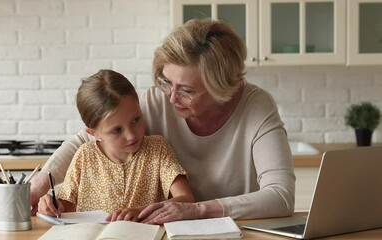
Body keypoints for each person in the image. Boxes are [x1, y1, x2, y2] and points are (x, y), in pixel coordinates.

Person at [31, 18, 295, 224]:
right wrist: (39, 187)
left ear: (222, 88)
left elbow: (281, 196)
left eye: (187, 90)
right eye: (167, 82)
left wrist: (197, 209)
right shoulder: (160, 99)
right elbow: (87, 139)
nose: (171, 97)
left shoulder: (256, 107)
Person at [37, 69, 195, 221]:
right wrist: (50, 205)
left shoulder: (158, 148)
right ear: (93, 133)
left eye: (136, 120)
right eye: (117, 130)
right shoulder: (85, 156)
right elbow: (65, 209)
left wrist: (139, 212)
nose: (132, 135)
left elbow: (186, 199)